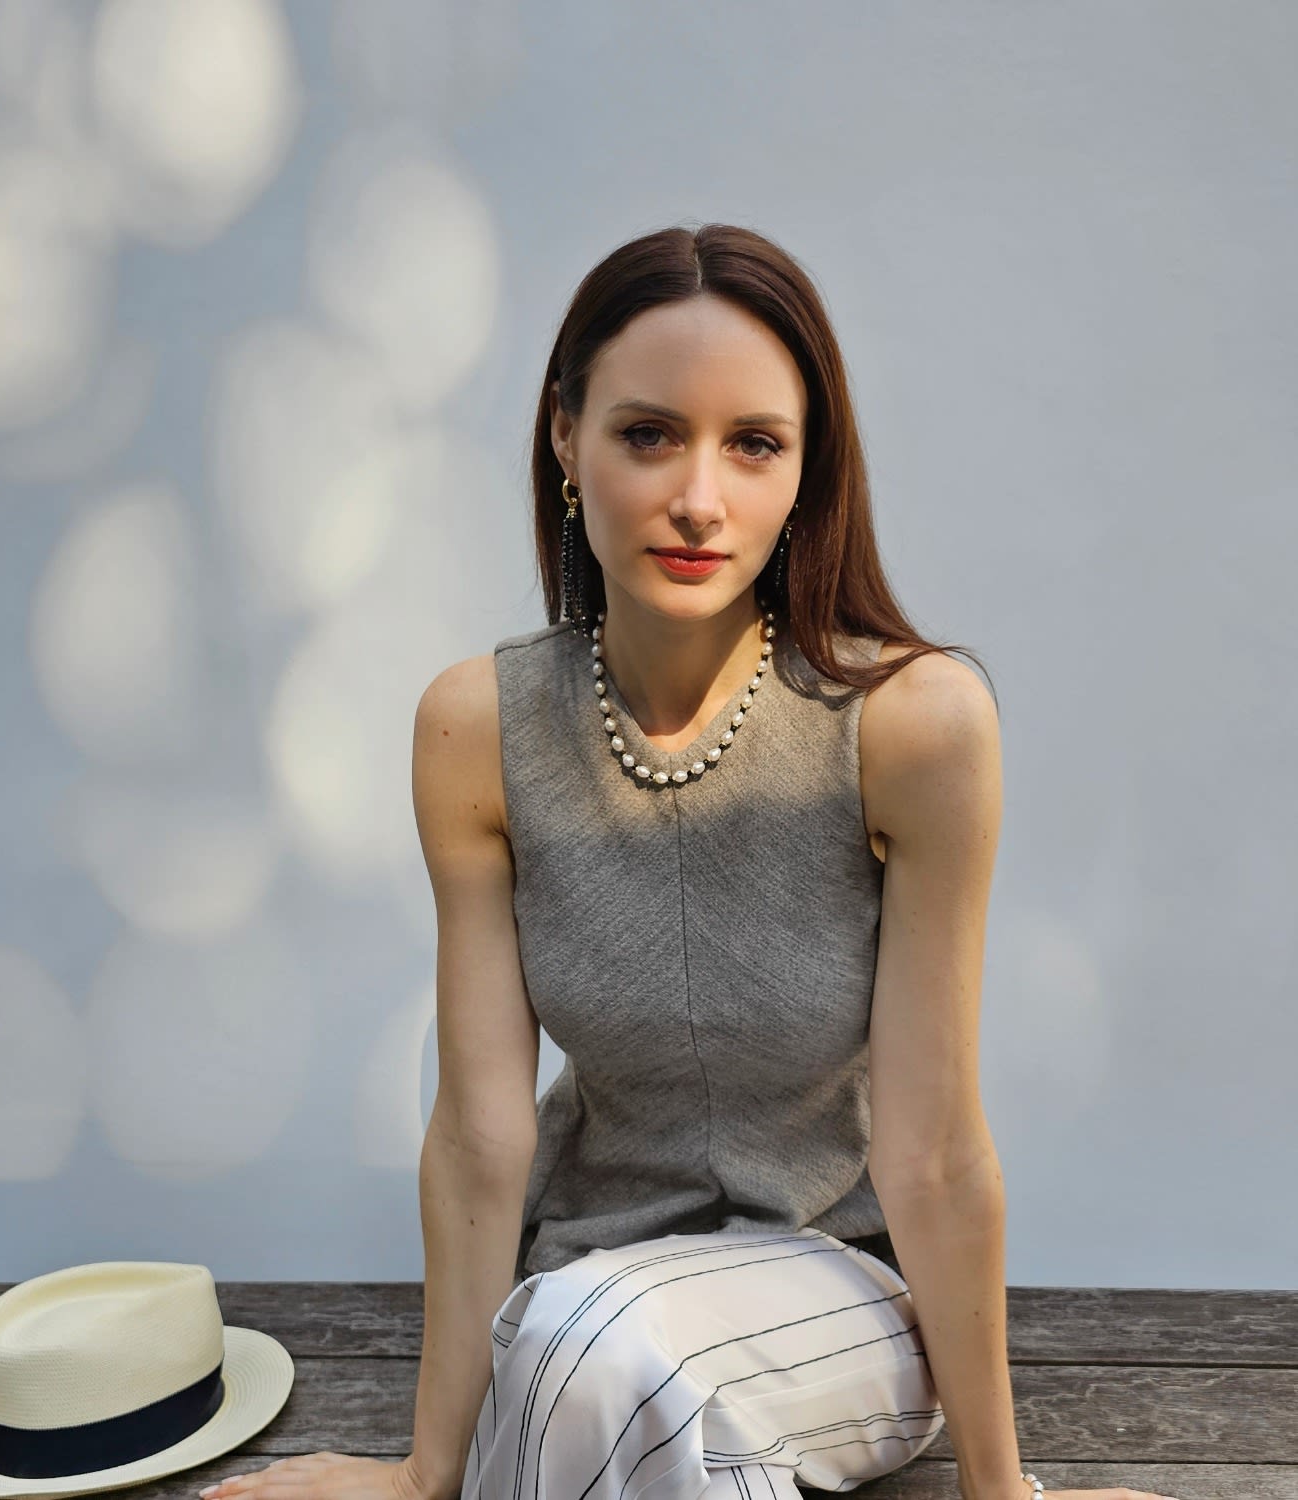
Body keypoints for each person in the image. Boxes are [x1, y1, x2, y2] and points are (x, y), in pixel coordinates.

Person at [195, 227, 1179, 1500]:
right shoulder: (474, 731)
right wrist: (422, 1472)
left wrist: (1005, 1493)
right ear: (567, 439)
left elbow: (935, 1151)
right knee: (580, 1357)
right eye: (649, 434)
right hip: (580, 1304)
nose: (700, 497)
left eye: (754, 444)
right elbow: (481, 1132)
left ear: (806, 471)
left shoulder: (913, 727)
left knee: (578, 1362)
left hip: (841, 1309)